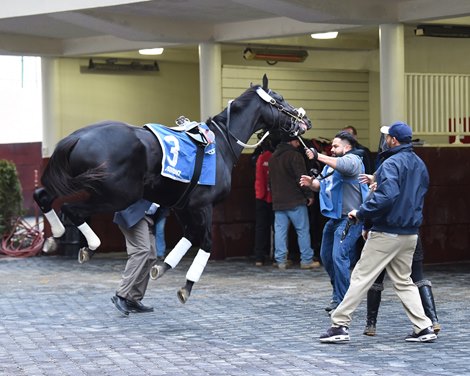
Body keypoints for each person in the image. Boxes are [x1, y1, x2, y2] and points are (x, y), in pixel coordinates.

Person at [319, 121, 437, 343]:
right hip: (410, 232)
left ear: (393, 139)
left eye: (387, 137)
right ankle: (424, 327)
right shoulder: (419, 163)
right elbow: (410, 191)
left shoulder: (391, 163)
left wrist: (361, 213)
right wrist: (377, 180)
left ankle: (339, 325)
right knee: (403, 281)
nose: (385, 140)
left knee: (361, 277)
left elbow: (386, 197)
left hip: (387, 232)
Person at [300, 131, 368, 313]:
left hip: (351, 218)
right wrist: (311, 183)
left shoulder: (353, 160)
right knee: (326, 257)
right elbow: (323, 185)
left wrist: (317, 155)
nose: (332, 148)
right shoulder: (330, 166)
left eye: (336, 146)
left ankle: (344, 301)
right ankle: (339, 294)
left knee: (339, 257)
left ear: (348, 147)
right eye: (332, 145)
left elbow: (343, 165)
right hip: (335, 218)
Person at [269, 133, 317, 270]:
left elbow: (270, 181)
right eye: (297, 142)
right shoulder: (295, 156)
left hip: (278, 201)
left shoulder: (273, 157)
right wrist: (309, 194)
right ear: (292, 141)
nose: (299, 145)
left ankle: (281, 261)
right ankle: (306, 260)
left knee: (280, 231)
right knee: (302, 230)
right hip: (295, 200)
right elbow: (301, 178)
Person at [111, 199, 158, 315]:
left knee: (151, 256)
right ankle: (121, 294)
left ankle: (133, 298)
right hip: (133, 213)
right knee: (141, 250)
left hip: (148, 217)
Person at [253, 136, 275, 266]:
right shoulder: (274, 157)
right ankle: (274, 257)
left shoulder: (260, 158)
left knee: (261, 227)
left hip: (260, 197)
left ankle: (259, 257)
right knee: (276, 228)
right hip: (273, 197)